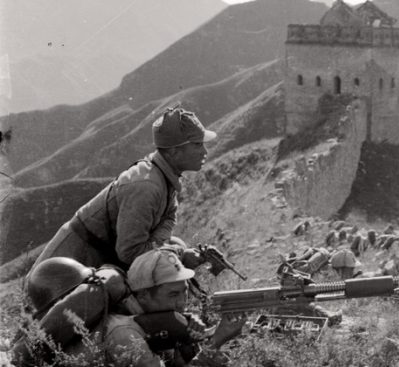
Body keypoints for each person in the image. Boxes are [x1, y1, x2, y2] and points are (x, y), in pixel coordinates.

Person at [31, 107, 216, 271]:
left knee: (175, 247)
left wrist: (167, 247)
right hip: (70, 263)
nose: (205, 151)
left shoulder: (165, 178)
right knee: (168, 262)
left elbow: (168, 217)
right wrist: (179, 255)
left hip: (99, 256)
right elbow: (130, 253)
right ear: (174, 151)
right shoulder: (146, 186)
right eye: (198, 145)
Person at [96, 249, 244, 366]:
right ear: (143, 295)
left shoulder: (160, 322)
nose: (181, 302)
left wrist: (198, 336)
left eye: (184, 291)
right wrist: (215, 342)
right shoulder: (124, 333)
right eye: (173, 295)